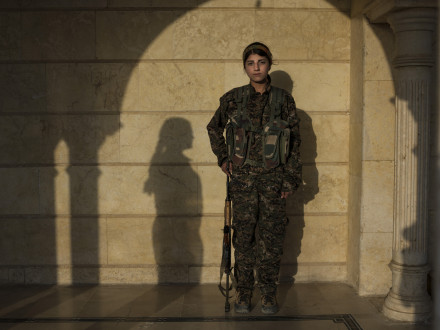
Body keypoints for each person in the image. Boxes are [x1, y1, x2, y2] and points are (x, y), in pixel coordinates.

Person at [207, 42, 302, 314]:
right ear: (245, 66)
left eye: (261, 62)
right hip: (243, 182)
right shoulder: (233, 98)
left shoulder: (284, 100)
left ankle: (269, 293)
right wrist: (224, 159)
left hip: (274, 181)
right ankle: (244, 293)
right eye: (251, 63)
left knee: (271, 239)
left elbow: (295, 142)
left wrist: (290, 180)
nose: (256, 67)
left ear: (269, 64)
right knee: (244, 239)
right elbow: (214, 127)